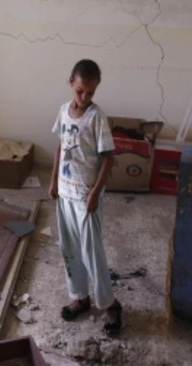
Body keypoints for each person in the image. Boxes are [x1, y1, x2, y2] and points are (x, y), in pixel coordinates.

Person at [49, 58, 122, 335]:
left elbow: (108, 159)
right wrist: (54, 179)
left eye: (90, 93)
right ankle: (80, 296)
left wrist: (95, 193)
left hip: (85, 199)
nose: (84, 97)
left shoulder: (97, 118)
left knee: (92, 254)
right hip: (65, 194)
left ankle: (110, 304)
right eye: (80, 91)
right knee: (68, 249)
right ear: (71, 83)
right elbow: (60, 146)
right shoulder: (63, 112)